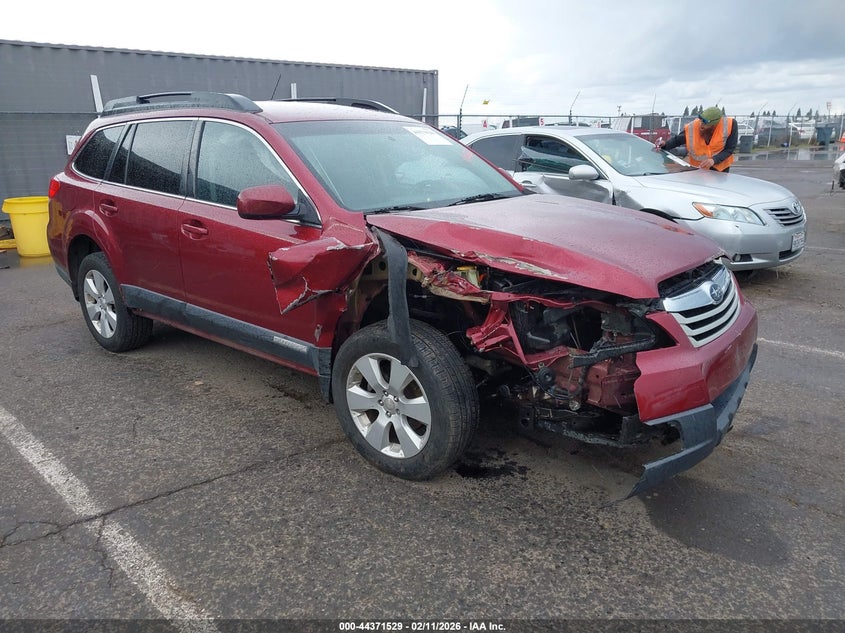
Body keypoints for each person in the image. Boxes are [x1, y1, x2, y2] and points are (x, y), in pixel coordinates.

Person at [656, 106, 737, 172]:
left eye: (705, 123)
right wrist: (665, 144)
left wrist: (714, 160)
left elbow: (729, 149)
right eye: (700, 120)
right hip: (699, 170)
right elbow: (677, 140)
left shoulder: (730, 125)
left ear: (714, 124)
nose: (701, 124)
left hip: (720, 170)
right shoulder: (692, 127)